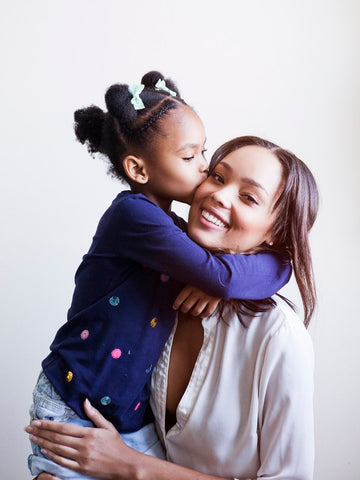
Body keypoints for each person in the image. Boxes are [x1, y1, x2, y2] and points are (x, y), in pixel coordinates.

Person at [27, 68, 291, 480]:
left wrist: (241, 277)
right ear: (139, 169)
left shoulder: (174, 233)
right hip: (73, 398)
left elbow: (227, 274)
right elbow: (222, 275)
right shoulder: (133, 216)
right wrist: (227, 281)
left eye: (205, 152)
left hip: (131, 417)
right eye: (191, 157)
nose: (205, 169)